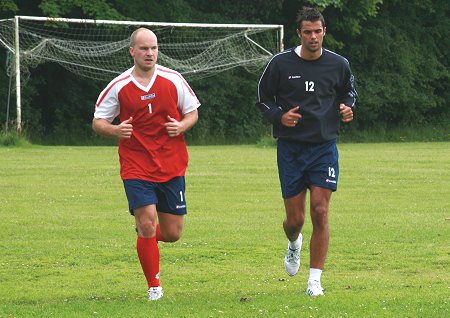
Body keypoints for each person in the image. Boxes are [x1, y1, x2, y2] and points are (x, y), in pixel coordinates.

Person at [92, 27, 200, 301]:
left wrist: (182, 125)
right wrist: (116, 130)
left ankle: (145, 236)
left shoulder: (173, 79)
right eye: (143, 48)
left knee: (173, 233)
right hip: (136, 166)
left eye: (153, 48)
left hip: (171, 165)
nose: (149, 53)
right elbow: (98, 122)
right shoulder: (119, 86)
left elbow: (192, 112)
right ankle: (154, 287)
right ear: (132, 51)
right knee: (148, 222)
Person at [256, 6, 357, 296]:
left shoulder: (339, 64)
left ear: (324, 31)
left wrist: (348, 108)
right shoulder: (280, 64)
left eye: (318, 31)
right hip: (290, 149)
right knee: (296, 220)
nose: (313, 36)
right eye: (308, 32)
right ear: (299, 34)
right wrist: (279, 116)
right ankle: (293, 243)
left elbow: (349, 92)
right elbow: (262, 99)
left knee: (321, 211)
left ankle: (315, 281)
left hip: (324, 147)